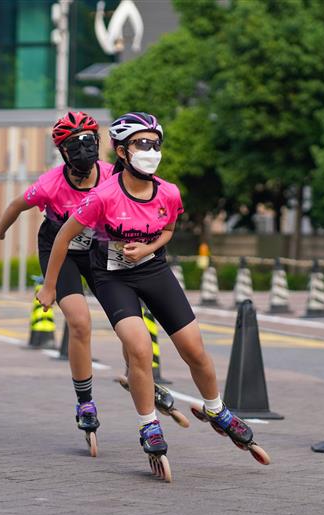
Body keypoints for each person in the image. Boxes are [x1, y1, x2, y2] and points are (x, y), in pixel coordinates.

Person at [36, 112, 269, 478]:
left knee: (194, 349)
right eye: (141, 144)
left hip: (154, 271)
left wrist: (146, 249)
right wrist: (50, 286)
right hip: (113, 278)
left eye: (155, 144)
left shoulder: (169, 192)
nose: (151, 151)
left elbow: (169, 230)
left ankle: (216, 409)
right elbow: (63, 237)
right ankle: (148, 425)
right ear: (122, 152)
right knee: (140, 348)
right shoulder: (102, 196)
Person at [0, 111, 114, 455]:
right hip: (60, 252)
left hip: (99, 248)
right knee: (80, 323)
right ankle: (85, 402)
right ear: (63, 152)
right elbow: (17, 205)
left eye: (89, 142)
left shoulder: (112, 176)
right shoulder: (50, 184)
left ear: (98, 143)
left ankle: (139, 377)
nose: (83, 150)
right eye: (74, 145)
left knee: (128, 317)